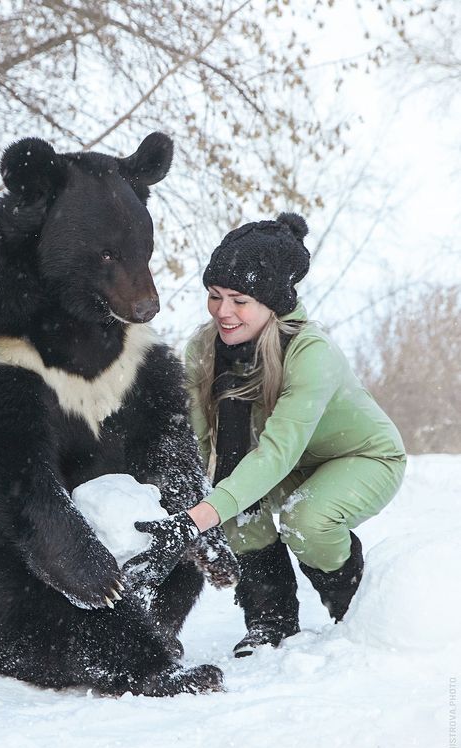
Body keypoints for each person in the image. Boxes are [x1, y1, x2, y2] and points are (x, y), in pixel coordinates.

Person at [125, 212, 406, 657]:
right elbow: (202, 445)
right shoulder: (204, 349)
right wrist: (190, 508)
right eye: (215, 296)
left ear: (272, 301)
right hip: (286, 463)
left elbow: (276, 453)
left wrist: (198, 519)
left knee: (305, 520)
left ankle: (353, 610)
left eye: (239, 299)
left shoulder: (312, 353)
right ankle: (270, 623)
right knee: (232, 506)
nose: (223, 311)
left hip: (360, 457)